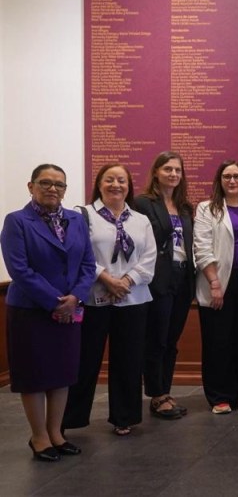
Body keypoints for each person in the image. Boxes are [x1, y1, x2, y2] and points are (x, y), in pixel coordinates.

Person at [2, 164, 95, 461]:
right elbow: (20, 269)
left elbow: (88, 265)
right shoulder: (17, 221)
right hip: (31, 310)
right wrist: (56, 302)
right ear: (31, 186)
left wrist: (76, 297)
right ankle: (39, 436)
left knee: (62, 374)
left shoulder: (77, 220)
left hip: (71, 309)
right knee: (34, 375)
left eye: (59, 184)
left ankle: (56, 433)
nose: (53, 188)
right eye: (45, 182)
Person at [64, 163, 157, 437]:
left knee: (128, 360)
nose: (116, 185)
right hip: (95, 298)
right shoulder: (83, 216)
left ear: (129, 186)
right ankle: (71, 418)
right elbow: (79, 253)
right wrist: (107, 279)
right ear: (99, 184)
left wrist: (126, 281)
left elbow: (150, 257)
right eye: (110, 180)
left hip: (133, 299)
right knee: (85, 360)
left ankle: (124, 416)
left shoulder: (141, 220)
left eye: (122, 180)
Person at [193, 160, 238, 414]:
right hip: (218, 282)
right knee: (217, 341)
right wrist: (214, 282)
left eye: (237, 176)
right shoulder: (207, 209)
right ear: (219, 181)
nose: (232, 181)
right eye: (227, 176)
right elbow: (201, 246)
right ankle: (219, 395)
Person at [133, 151, 194, 421]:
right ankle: (157, 395)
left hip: (183, 278)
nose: (173, 174)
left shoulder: (184, 207)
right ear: (156, 172)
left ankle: (165, 391)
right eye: (167, 169)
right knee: (156, 339)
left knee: (171, 340)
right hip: (158, 279)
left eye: (177, 170)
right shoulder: (143, 204)